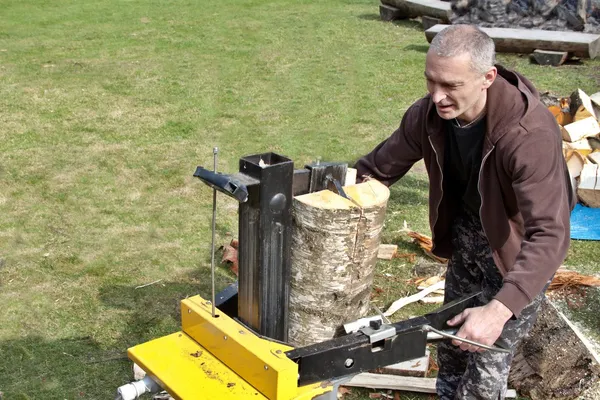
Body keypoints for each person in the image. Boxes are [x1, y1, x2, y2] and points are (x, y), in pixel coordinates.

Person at [355, 24, 574, 399]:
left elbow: (550, 233)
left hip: (516, 248)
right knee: (453, 343)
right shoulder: (427, 116)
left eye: (451, 86)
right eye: (431, 81)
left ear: (487, 77)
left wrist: (500, 308)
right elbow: (377, 169)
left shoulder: (528, 135)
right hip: (468, 235)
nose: (437, 97)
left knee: (484, 360)